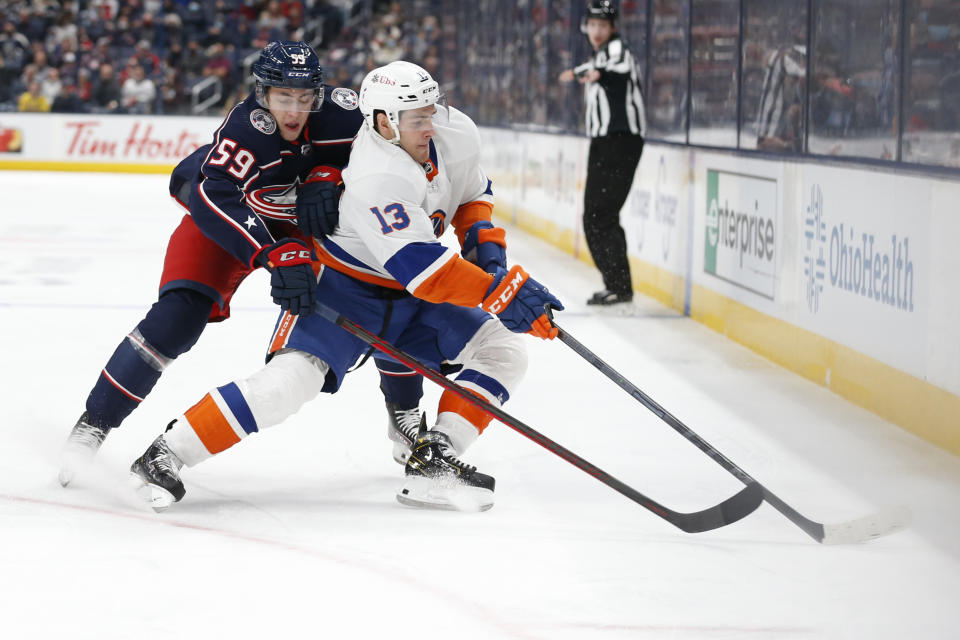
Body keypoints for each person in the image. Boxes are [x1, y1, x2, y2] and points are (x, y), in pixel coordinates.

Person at [127, 60, 563, 513]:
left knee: (504, 351)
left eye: (433, 110)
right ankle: (168, 452)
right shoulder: (378, 174)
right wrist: (504, 292)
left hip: (410, 292)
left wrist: (488, 254)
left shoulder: (455, 132)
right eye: (417, 119)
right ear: (382, 123)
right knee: (285, 387)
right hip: (343, 289)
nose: (431, 125)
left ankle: (436, 457)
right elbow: (428, 273)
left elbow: (473, 194)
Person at [58, 41, 422, 485]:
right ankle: (94, 423)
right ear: (262, 93)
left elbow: (388, 153)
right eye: (283, 98)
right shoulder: (247, 128)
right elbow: (212, 196)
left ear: (319, 95)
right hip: (231, 227)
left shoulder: (344, 114)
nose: (294, 110)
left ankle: (404, 411)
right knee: (176, 318)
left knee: (384, 288)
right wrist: (271, 252)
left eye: (304, 99)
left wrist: (329, 176)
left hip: (305, 233)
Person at [559, 0, 645, 308]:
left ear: (613, 28)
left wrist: (580, 71)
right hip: (605, 141)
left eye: (602, 26)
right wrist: (586, 71)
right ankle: (616, 285)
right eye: (592, 25)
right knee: (597, 215)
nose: (597, 31)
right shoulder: (602, 53)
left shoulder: (617, 50)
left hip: (619, 140)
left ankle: (620, 287)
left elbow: (609, 70)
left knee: (600, 215)